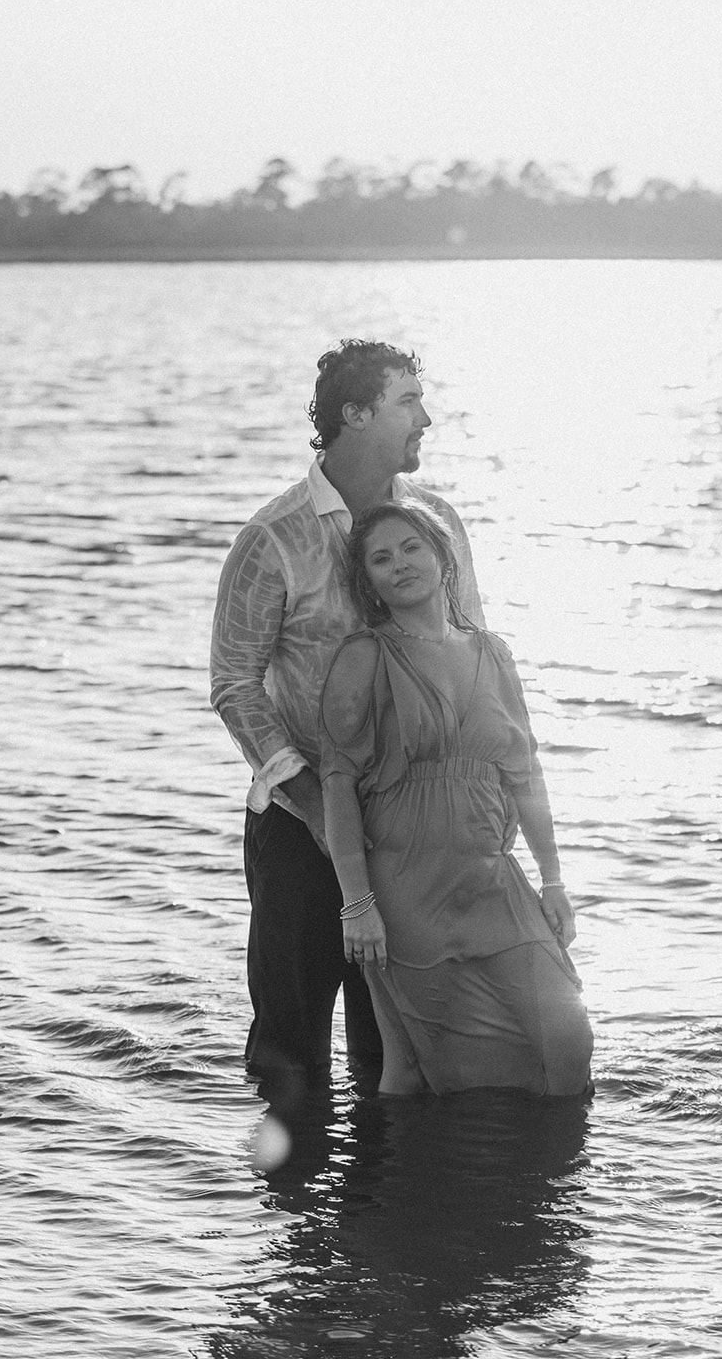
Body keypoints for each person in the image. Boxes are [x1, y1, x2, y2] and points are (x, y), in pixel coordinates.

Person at [210, 340, 485, 1084]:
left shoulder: (438, 522)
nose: (425, 418)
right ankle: (291, 1194)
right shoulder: (273, 538)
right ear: (355, 415)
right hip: (302, 832)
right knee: (290, 1058)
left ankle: (390, 1197)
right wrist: (309, 806)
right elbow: (234, 684)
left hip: (417, 829)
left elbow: (471, 659)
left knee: (401, 1054)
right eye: (407, 402)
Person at [319, 499, 593, 1098]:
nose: (399, 565)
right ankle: (419, 1180)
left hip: (491, 877)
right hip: (405, 888)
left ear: (444, 557)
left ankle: (557, 1182)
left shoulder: (492, 654)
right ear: (368, 582)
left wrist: (552, 881)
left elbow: (525, 774)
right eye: (381, 559)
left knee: (567, 1037)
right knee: (419, 1063)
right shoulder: (363, 657)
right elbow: (337, 785)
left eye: (412, 548)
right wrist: (357, 903)